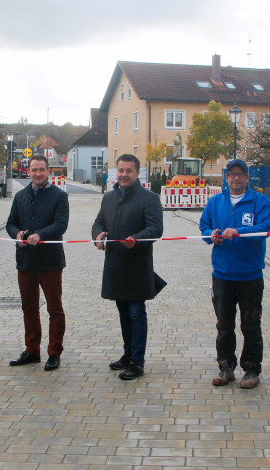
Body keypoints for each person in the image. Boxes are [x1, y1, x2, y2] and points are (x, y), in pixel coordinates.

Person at [200, 158, 270, 389]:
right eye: (232, 174)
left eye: (241, 174)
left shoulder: (259, 201)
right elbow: (203, 227)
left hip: (250, 275)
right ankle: (226, 366)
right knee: (224, 324)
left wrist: (238, 231)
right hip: (222, 275)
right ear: (226, 177)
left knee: (250, 325)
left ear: (247, 178)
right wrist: (211, 234)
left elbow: (264, 229)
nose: (236, 178)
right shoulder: (215, 202)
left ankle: (251, 369)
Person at [92, 154, 164, 381]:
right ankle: (127, 354)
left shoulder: (149, 198)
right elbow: (99, 222)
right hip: (115, 264)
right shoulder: (109, 198)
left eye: (128, 171)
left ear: (137, 173)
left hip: (137, 265)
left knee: (136, 312)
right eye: (120, 170)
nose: (123, 174)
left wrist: (136, 238)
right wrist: (97, 235)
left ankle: (137, 362)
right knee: (123, 311)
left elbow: (156, 229)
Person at [6, 154, 69, 371]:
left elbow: (60, 225)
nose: (38, 174)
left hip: (50, 261)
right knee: (29, 308)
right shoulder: (20, 196)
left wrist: (40, 235)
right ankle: (32, 350)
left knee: (54, 309)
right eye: (34, 170)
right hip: (25, 261)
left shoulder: (59, 196)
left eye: (42, 170)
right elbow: (10, 223)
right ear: (28, 171)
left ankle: (54, 352)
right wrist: (17, 234)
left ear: (48, 171)